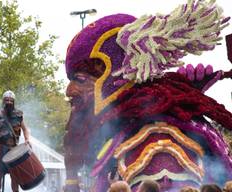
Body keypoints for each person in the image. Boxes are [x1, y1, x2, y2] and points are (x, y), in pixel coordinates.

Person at [63, 1, 232, 192]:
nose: (70, 91)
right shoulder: (123, 132)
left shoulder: (155, 143)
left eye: (80, 80)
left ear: (112, 74)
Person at [0, 90, 31, 192]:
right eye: (7, 100)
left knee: (15, 177)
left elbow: (25, 129)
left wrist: (27, 139)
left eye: (11, 100)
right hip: (0, 148)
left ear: (14, 102)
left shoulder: (18, 115)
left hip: (14, 149)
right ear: (3, 101)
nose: (9, 102)